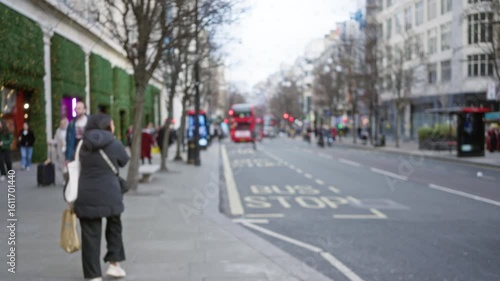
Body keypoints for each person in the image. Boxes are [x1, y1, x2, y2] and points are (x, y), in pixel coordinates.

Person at [74, 114, 129, 281]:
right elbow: (124, 160)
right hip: (110, 194)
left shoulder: (82, 144)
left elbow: (74, 165)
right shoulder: (114, 143)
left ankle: (93, 275)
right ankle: (114, 264)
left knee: (90, 234)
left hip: (86, 195)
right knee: (114, 226)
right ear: (107, 126)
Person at [53, 118, 68, 185]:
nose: (62, 125)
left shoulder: (69, 130)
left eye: (64, 123)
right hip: (60, 151)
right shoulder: (58, 131)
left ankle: (69, 179)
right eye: (61, 124)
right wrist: (52, 142)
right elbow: (55, 140)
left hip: (68, 150)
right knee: (62, 166)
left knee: (68, 165)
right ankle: (65, 179)